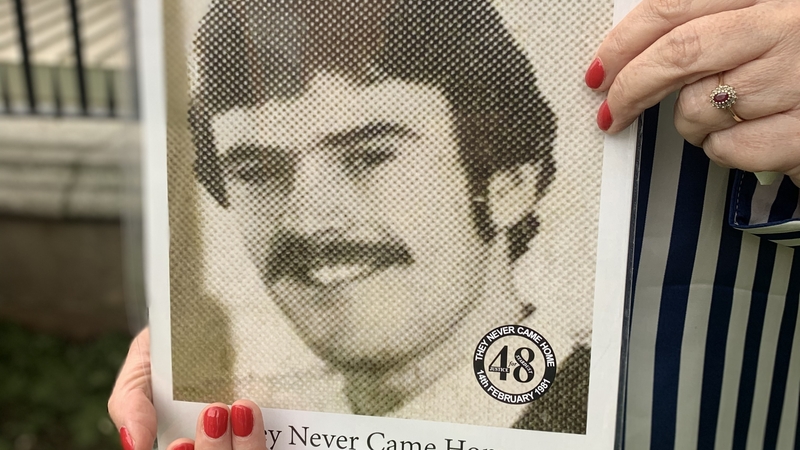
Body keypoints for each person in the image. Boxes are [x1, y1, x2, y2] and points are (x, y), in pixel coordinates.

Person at [108, 0, 800, 449]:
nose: (307, 216)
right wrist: (181, 358)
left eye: (370, 155)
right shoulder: (269, 395)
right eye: (257, 170)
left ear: (509, 183)